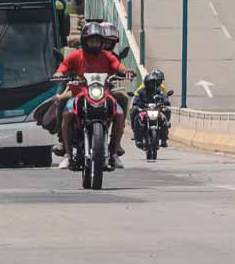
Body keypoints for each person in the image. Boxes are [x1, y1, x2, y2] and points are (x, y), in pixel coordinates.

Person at [51, 22, 133, 170]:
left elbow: (118, 66)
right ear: (85, 40)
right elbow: (64, 66)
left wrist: (126, 71)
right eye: (91, 40)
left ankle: (113, 152)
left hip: (103, 92)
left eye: (97, 40)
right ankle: (68, 155)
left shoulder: (107, 56)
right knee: (68, 114)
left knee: (119, 114)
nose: (94, 43)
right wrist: (59, 73)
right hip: (80, 92)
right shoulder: (77, 55)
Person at [131, 69, 171, 147]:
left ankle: (164, 139)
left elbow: (165, 98)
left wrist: (165, 103)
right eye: (149, 83)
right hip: (144, 110)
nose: (151, 85)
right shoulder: (141, 91)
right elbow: (136, 99)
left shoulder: (158, 90)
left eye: (153, 83)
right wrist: (136, 106)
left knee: (165, 118)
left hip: (156, 110)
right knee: (136, 115)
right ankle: (137, 135)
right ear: (146, 83)